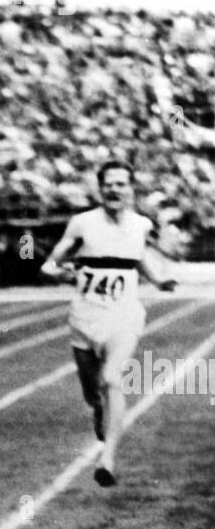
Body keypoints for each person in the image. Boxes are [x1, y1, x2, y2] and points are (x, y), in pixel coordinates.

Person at [40, 161, 176, 487]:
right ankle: (98, 409)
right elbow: (51, 263)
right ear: (100, 189)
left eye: (121, 184)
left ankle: (108, 459)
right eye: (109, 184)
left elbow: (136, 256)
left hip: (124, 314)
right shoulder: (81, 224)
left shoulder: (140, 224)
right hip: (85, 315)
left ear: (131, 189)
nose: (115, 189)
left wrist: (157, 280)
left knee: (113, 378)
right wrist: (58, 271)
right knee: (92, 390)